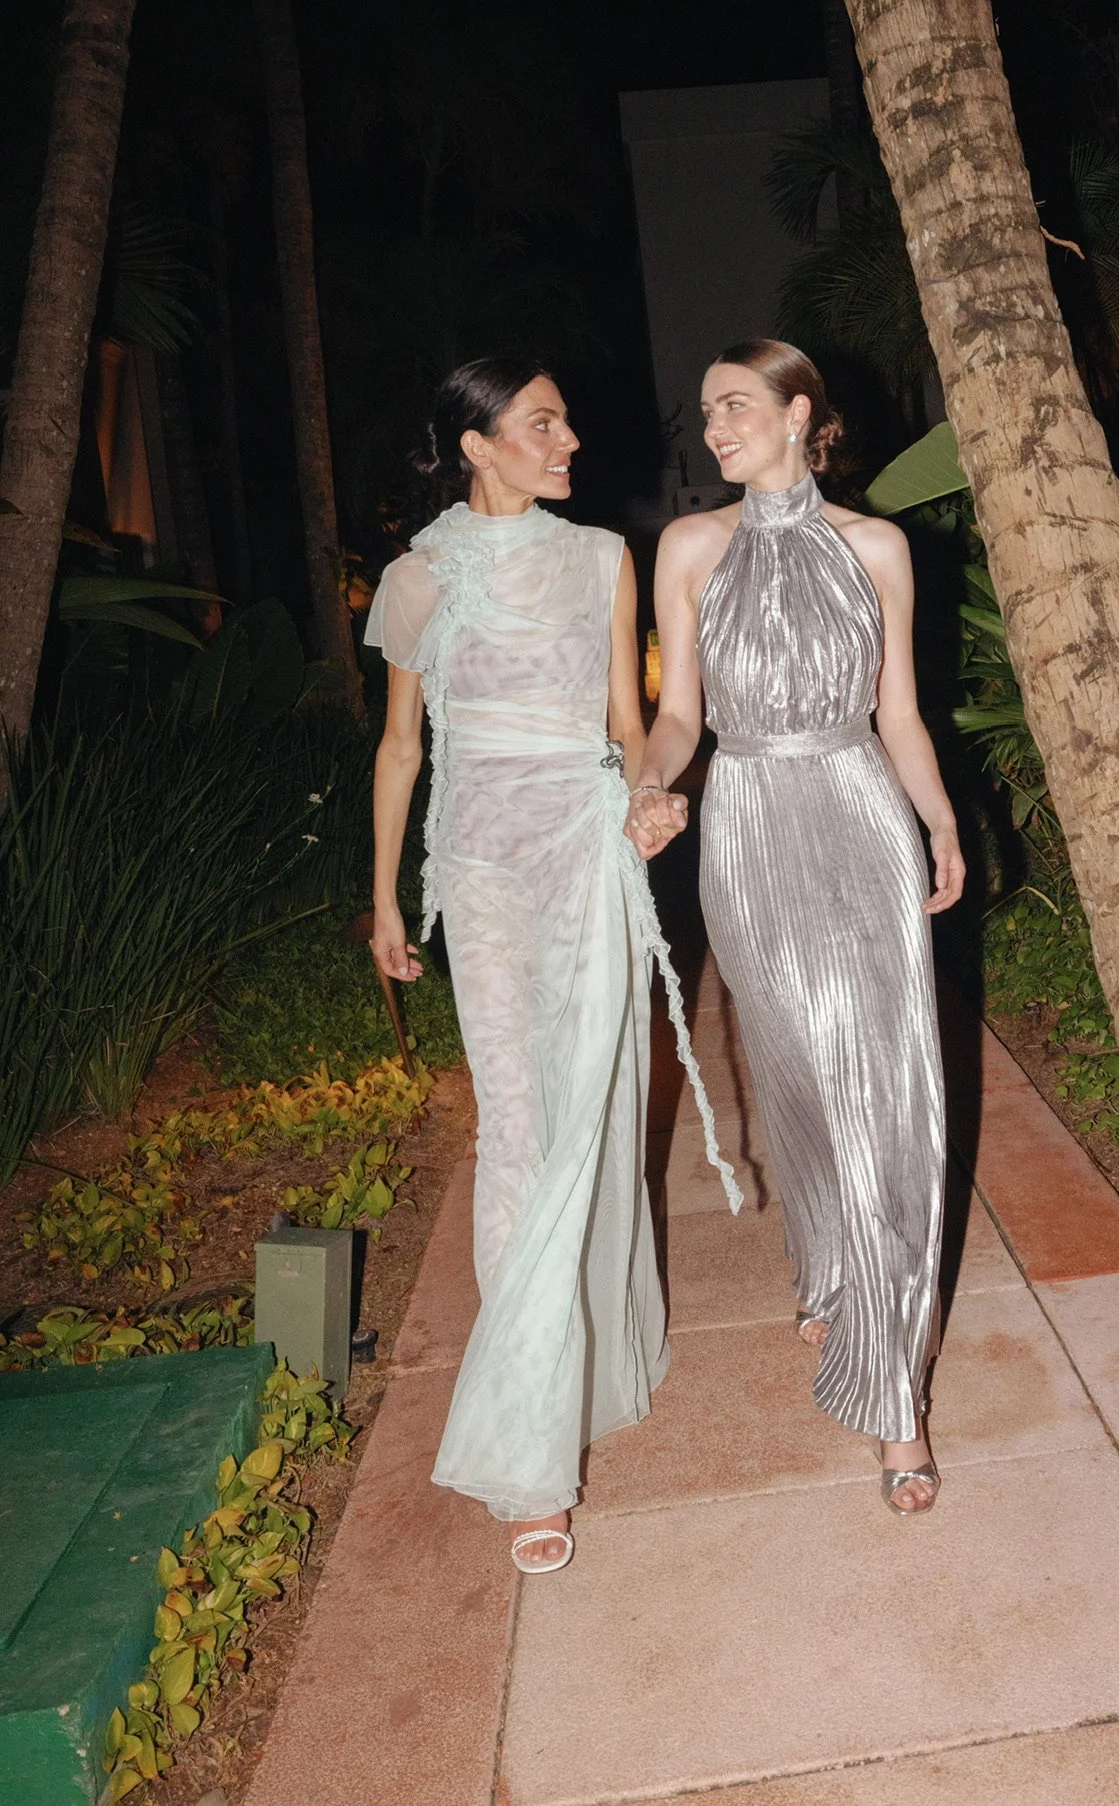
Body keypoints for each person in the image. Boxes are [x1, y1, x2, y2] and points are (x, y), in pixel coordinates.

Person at [368, 358, 738, 1576]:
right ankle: (531, 1450)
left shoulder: (598, 560)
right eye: (541, 424)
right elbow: (402, 748)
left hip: (587, 855)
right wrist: (385, 897)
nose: (568, 438)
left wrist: (646, 799)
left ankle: (579, 1366)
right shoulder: (418, 578)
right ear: (477, 446)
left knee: (591, 1109)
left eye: (564, 420)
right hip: (479, 867)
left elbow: (628, 723)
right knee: (516, 1132)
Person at [626, 339, 963, 1513]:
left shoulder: (877, 547)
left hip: (859, 813)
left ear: (795, 412)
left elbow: (900, 713)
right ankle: (828, 1267)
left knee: (882, 1089)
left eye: (733, 406)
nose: (713, 428)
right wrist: (651, 784)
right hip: (749, 825)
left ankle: (894, 1396)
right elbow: (678, 715)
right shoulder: (688, 546)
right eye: (706, 410)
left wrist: (939, 821)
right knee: (798, 1077)